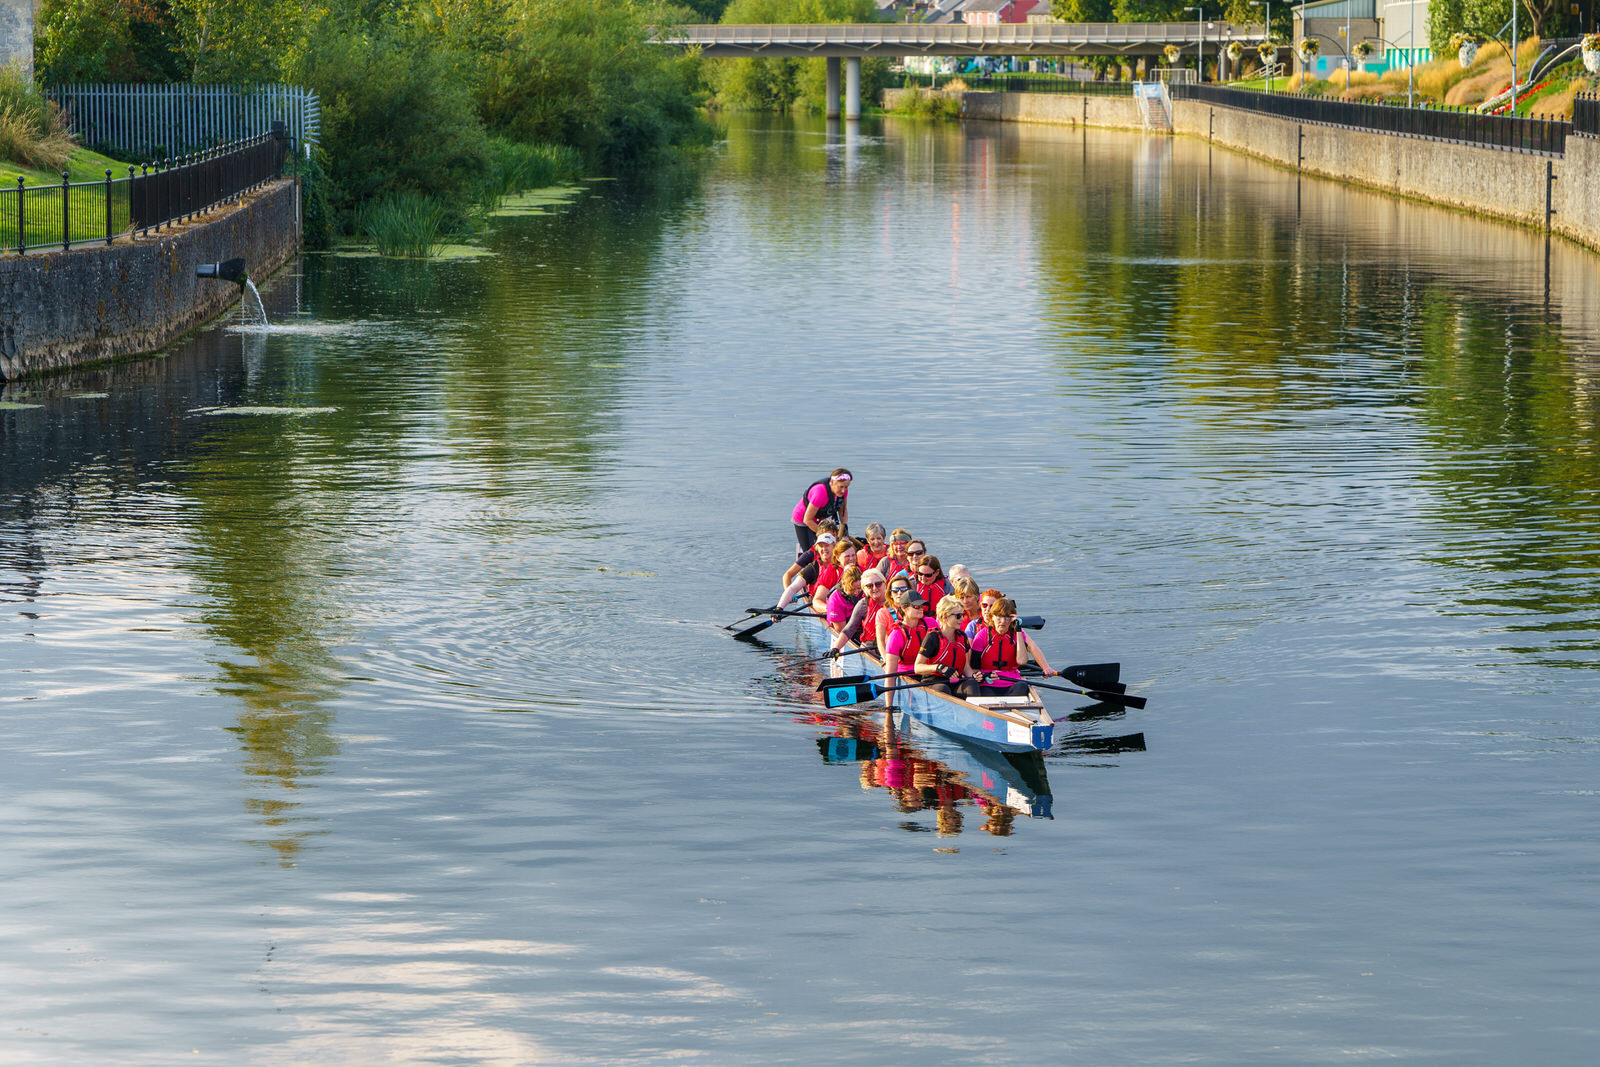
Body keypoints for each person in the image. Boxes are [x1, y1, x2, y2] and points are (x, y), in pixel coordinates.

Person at [969, 597, 1056, 696]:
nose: (1003, 621)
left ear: (1012, 619)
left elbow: (1022, 661)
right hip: (988, 683)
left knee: (1023, 686)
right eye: (999, 617)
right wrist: (982, 676)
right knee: (985, 693)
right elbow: (974, 666)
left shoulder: (1017, 634)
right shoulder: (982, 636)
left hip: (1012, 682)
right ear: (992, 617)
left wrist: (1018, 629)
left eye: (1007, 617)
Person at [915, 595, 979, 697]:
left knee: (972, 684)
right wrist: (938, 667)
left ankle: (975, 712)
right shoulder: (932, 637)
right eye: (958, 616)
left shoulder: (962, 637)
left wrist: (975, 675)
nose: (962, 619)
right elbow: (917, 667)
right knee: (943, 689)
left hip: (955, 683)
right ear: (945, 616)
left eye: (963, 615)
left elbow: (966, 668)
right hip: (934, 682)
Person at [881, 590, 930, 707]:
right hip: (908, 675)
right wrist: (889, 707)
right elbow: (890, 674)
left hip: (927, 673)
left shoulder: (930, 624)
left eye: (922, 606)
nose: (921, 609)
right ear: (903, 608)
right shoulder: (896, 635)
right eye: (916, 606)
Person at [827, 567, 889, 654]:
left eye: (878, 584)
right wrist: (836, 648)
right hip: (869, 648)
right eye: (869, 586)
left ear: (884, 584)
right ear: (865, 588)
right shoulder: (863, 604)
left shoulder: (894, 602)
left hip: (890, 647)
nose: (874, 588)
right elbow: (849, 629)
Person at [792, 469, 852, 555]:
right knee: (812, 552)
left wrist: (844, 530)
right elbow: (807, 520)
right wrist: (827, 536)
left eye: (846, 487)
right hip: (803, 519)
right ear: (832, 482)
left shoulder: (843, 491)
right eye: (840, 487)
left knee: (829, 547)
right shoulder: (820, 492)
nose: (843, 490)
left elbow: (843, 511)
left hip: (819, 518)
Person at [874, 574, 915, 659]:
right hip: (892, 657)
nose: (899, 593)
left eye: (903, 589)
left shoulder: (916, 610)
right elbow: (880, 641)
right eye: (895, 590)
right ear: (891, 594)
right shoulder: (883, 613)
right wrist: (886, 661)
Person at [824, 566, 864, 631]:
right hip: (847, 631)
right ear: (843, 584)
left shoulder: (864, 591)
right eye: (852, 589)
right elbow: (841, 631)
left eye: (859, 588)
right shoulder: (835, 600)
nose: (856, 592)